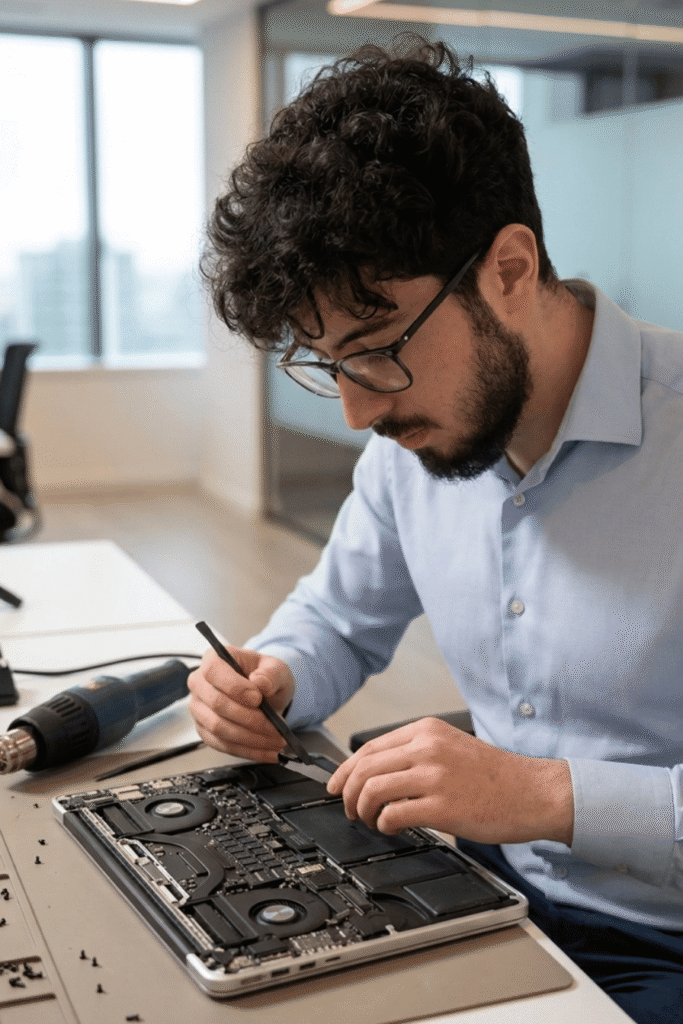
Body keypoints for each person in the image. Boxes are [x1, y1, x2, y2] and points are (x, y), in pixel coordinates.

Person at [189, 37, 683, 1023]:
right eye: (327, 364)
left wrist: (542, 795)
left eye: (373, 354)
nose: (356, 415)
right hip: (491, 892)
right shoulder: (411, 445)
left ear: (509, 268)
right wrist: (274, 675)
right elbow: (335, 616)